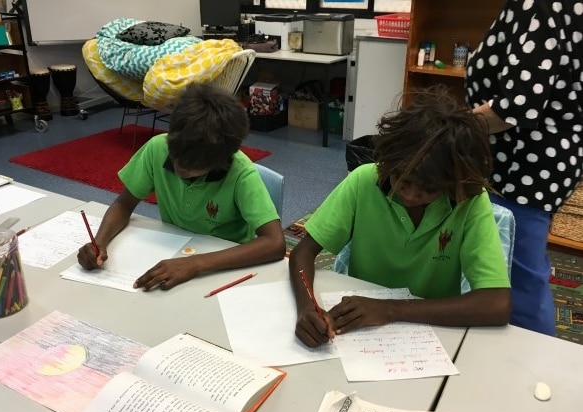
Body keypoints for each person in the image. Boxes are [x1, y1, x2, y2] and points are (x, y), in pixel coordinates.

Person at [289, 86, 512, 348]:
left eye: (428, 190)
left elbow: (497, 304)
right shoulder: (364, 180)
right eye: (402, 180)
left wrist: (392, 310)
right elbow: (303, 253)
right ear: (388, 161)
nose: (411, 195)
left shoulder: (471, 202)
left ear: (453, 183)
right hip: (358, 330)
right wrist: (307, 307)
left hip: (433, 332)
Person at [78, 82, 286, 290]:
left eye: (192, 167)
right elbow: (124, 203)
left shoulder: (241, 173)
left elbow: (275, 243)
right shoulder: (157, 148)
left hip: (225, 265)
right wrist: (100, 242)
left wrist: (196, 264)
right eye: (175, 156)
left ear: (220, 161)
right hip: (173, 250)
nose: (179, 168)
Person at [465, 0, 582, 335]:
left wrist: (446, 130)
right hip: (546, 159)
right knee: (518, 268)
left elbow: (516, 107)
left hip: (526, 164)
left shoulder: (544, 4)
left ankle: (530, 372)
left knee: (517, 279)